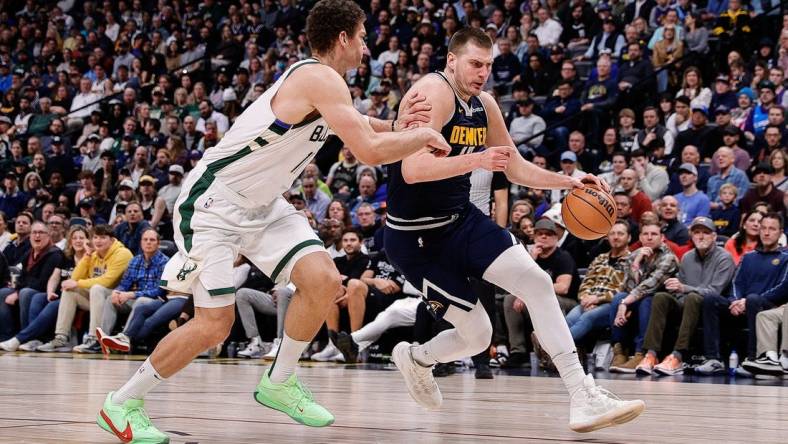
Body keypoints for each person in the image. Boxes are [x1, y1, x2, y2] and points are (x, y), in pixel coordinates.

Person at [98, 1, 452, 440]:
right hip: (214, 204)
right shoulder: (319, 79)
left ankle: (279, 381)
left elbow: (360, 123)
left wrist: (398, 122)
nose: (366, 45)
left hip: (263, 205)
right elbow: (369, 151)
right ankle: (122, 402)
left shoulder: (326, 85)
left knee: (323, 279)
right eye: (361, 36)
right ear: (342, 38)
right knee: (214, 325)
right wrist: (421, 135)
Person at [384, 26, 644, 433]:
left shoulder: (484, 103)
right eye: (474, 63)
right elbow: (412, 170)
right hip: (417, 238)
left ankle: (583, 395)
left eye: (488, 65)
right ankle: (417, 359)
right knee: (478, 335)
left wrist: (570, 183)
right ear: (451, 60)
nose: (482, 73)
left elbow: (514, 164)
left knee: (538, 283)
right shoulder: (432, 94)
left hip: (461, 220)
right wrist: (476, 161)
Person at [634, 217, 735, 376]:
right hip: (688, 305)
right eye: (696, 232)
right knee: (661, 297)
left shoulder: (724, 258)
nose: (701, 236)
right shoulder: (687, 257)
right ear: (691, 236)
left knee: (693, 297)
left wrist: (684, 288)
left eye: (706, 233)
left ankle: (677, 356)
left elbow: (715, 291)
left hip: (713, 308)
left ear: (714, 237)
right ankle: (651, 355)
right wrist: (676, 289)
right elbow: (679, 291)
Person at [698, 213, 788, 374]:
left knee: (753, 299)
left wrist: (747, 301)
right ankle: (713, 359)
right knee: (711, 299)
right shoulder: (748, 257)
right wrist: (735, 300)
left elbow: (782, 287)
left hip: (768, 305)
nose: (766, 233)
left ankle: (752, 358)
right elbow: (735, 282)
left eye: (772, 229)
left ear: (780, 232)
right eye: (764, 228)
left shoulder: (785, 258)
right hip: (742, 304)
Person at [36, 225, 133, 354]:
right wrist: (87, 255)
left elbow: (107, 281)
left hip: (120, 298)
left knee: (97, 288)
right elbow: (74, 277)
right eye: (95, 237)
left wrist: (77, 283)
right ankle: (61, 338)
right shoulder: (93, 254)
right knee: (69, 291)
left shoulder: (122, 254)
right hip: (98, 299)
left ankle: (94, 339)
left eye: (103, 238)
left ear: (112, 240)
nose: (98, 241)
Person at [609, 221, 679, 373]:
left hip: (663, 303)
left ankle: (641, 353)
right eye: (645, 234)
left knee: (646, 300)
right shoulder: (634, 256)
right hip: (637, 299)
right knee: (618, 297)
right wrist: (636, 263)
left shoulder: (669, 258)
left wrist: (625, 304)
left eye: (654, 234)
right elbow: (628, 287)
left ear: (662, 238)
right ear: (640, 237)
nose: (649, 238)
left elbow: (651, 285)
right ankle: (620, 352)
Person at [96, 229, 174, 353]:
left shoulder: (165, 262)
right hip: (136, 298)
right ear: (141, 242)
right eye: (145, 240)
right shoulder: (135, 260)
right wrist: (118, 292)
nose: (148, 242)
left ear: (158, 244)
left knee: (141, 301)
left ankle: (124, 339)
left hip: (158, 302)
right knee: (111, 299)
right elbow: (124, 284)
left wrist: (132, 294)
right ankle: (103, 341)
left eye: (152, 240)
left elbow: (159, 291)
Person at [565, 220, 630, 343]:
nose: (616, 237)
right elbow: (586, 282)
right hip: (588, 302)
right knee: (569, 319)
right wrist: (586, 298)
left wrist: (598, 299)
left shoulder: (632, 260)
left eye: (620, 234)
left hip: (612, 305)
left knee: (587, 317)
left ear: (629, 237)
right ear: (607, 237)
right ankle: (557, 353)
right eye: (612, 234)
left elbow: (625, 289)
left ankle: (554, 349)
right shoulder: (600, 258)